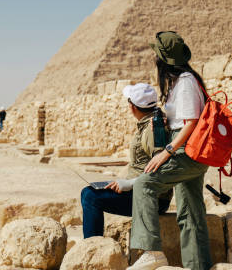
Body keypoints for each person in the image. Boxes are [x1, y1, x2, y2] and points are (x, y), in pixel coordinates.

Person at [128, 31, 211, 270]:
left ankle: (151, 251)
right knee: (190, 213)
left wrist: (167, 151)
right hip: (188, 150)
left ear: (162, 60)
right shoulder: (182, 82)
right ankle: (199, 266)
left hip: (185, 150)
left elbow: (191, 122)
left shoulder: (185, 82)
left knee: (145, 184)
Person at [80, 83, 172, 239]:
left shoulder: (153, 130)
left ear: (132, 107)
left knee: (90, 197)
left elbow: (163, 170)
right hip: (140, 191)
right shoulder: (150, 123)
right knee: (89, 192)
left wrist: (129, 184)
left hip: (150, 198)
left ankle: (92, 247)